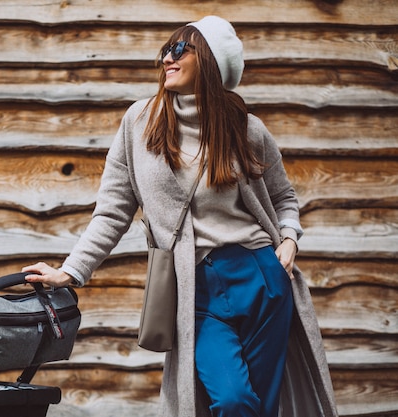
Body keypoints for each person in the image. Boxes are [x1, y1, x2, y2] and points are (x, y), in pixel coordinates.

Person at [23, 15, 338, 417]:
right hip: (195, 289)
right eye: (165, 51)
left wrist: (290, 238)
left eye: (178, 50)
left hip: (262, 278)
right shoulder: (139, 123)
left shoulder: (247, 129)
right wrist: (71, 271)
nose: (166, 59)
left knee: (262, 405)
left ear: (209, 61)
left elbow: (283, 197)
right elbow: (113, 211)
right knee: (233, 399)